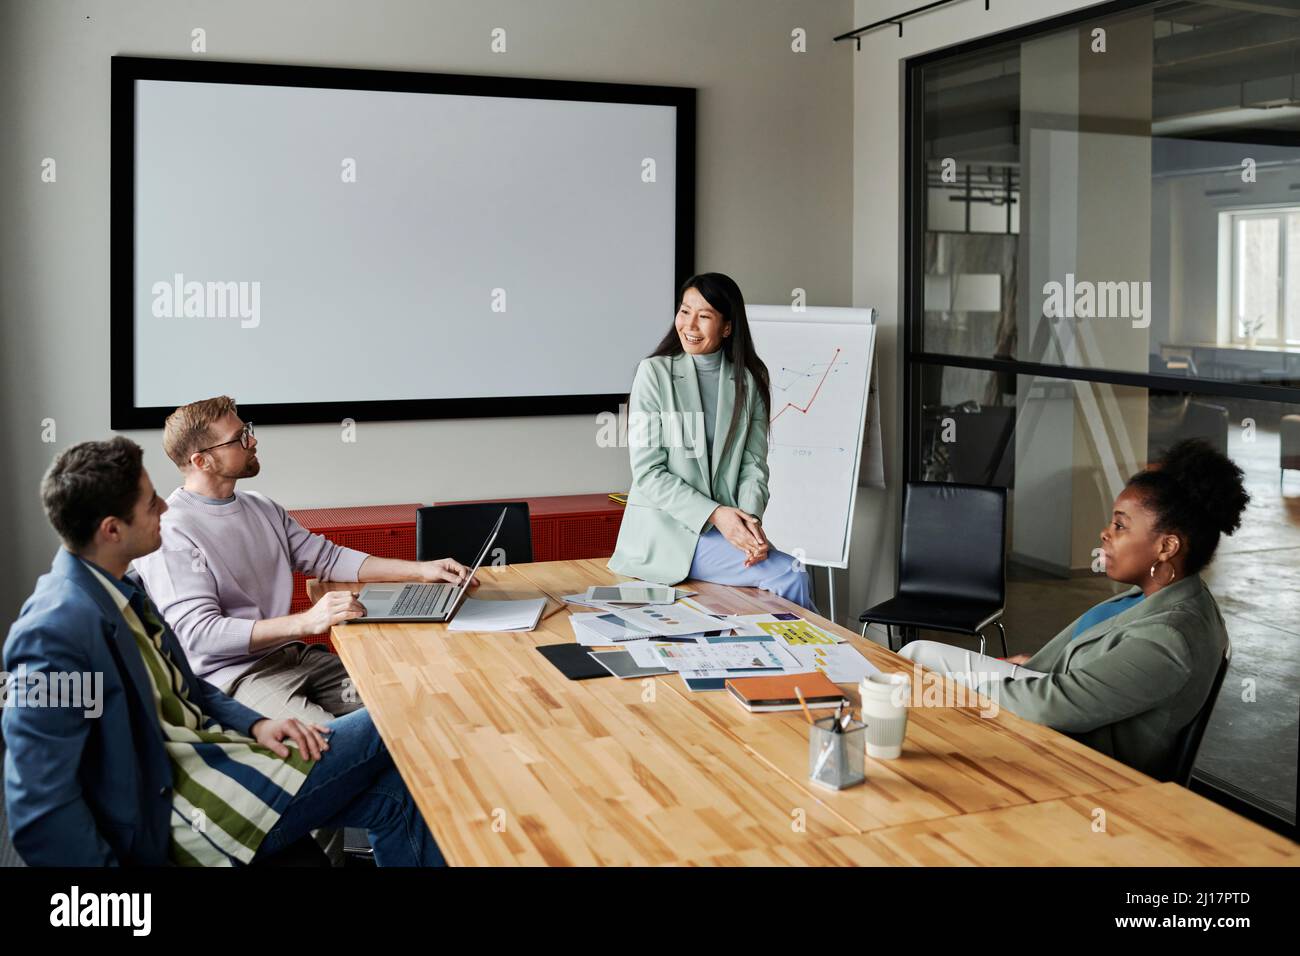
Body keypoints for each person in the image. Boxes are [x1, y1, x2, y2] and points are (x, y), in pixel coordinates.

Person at [3, 437, 443, 865]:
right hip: (189, 809)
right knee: (405, 713)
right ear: (112, 530)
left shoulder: (120, 590)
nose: (164, 507)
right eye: (149, 501)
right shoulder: (50, 635)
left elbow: (183, 684)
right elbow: (39, 811)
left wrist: (256, 724)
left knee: (393, 796)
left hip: (223, 759)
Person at [899, 438, 1250, 781]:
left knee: (917, 682)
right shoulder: (1160, 595)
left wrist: (950, 689)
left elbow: (1049, 706)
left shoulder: (1171, 636)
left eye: (1120, 525)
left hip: (1075, 754)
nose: (1105, 533)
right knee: (915, 654)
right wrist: (1038, 664)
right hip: (1054, 686)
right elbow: (1105, 666)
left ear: (1167, 546)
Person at [132, 396, 478, 724]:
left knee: (411, 705)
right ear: (201, 461)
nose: (253, 442)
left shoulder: (260, 507)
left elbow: (327, 558)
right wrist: (306, 621)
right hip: (236, 679)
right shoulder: (172, 531)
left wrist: (421, 570)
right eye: (239, 438)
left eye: (248, 431)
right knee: (332, 746)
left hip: (294, 658)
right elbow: (200, 634)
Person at [608, 273, 813, 610]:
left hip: (725, 533)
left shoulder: (748, 382)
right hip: (666, 535)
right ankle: (822, 657)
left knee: (788, 576)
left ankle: (808, 656)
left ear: (727, 327)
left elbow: (753, 467)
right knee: (791, 574)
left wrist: (747, 527)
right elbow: (649, 473)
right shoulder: (654, 373)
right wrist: (718, 516)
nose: (690, 324)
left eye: (704, 316)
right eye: (684, 311)